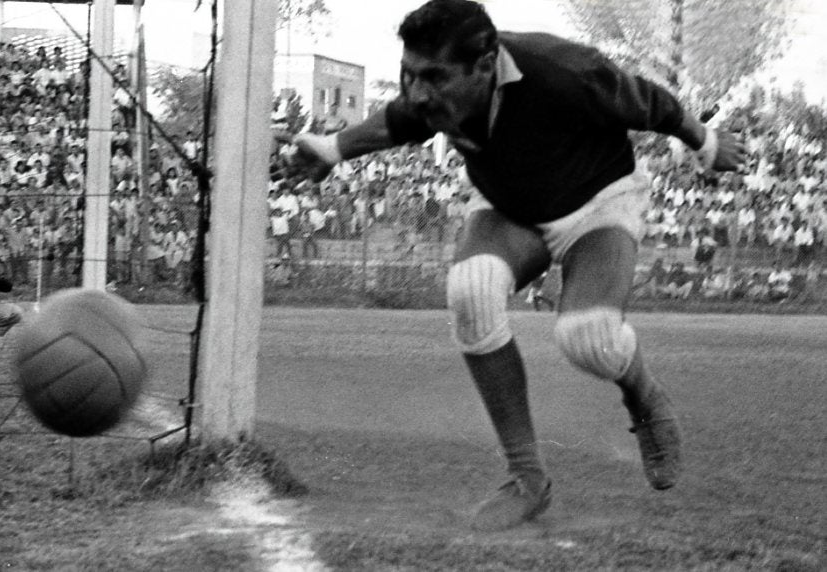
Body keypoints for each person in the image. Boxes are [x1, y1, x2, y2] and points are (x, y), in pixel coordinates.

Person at [287, 0, 745, 531]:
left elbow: (651, 103)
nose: (417, 92)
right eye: (409, 75)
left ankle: (643, 395)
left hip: (597, 203)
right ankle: (526, 478)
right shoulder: (435, 90)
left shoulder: (563, 71)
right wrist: (331, 148)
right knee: (471, 290)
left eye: (433, 77)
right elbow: (398, 120)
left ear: (485, 66)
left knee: (589, 338)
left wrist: (707, 143)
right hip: (508, 207)